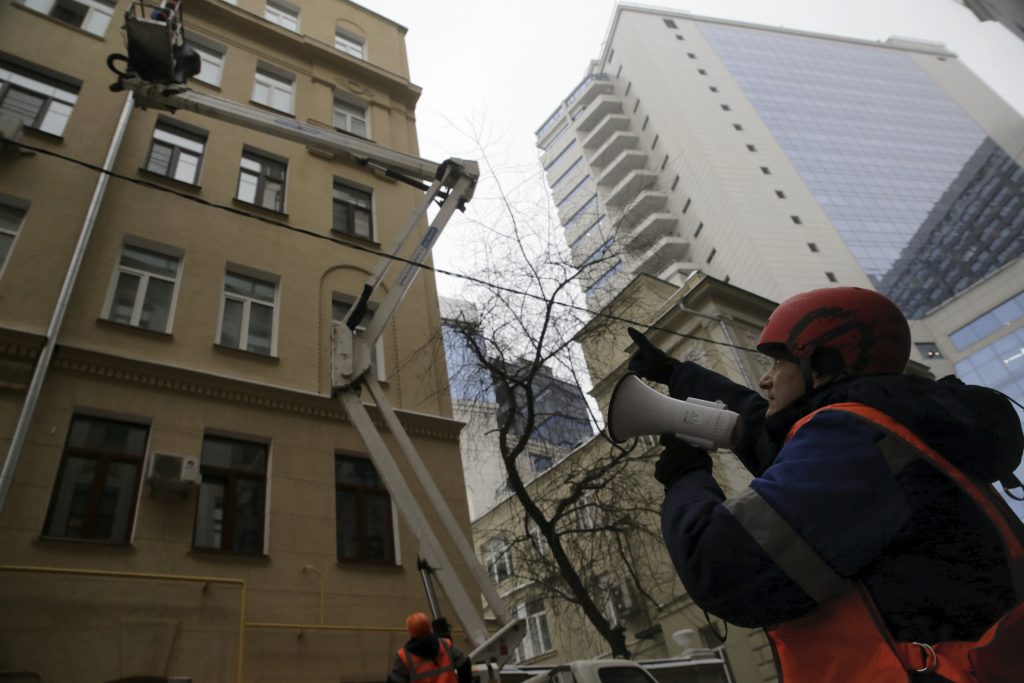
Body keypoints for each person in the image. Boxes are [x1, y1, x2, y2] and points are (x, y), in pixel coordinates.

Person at [626, 287, 1024, 683]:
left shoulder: (857, 441)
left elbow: (721, 566)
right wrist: (677, 375)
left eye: (777, 363)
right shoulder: (895, 425)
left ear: (822, 366)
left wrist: (685, 477)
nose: (764, 381)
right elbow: (767, 434)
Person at [388, 612, 471, 683]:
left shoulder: (404, 656)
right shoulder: (444, 645)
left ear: (410, 632)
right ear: (430, 628)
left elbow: (395, 680)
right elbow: (464, 663)